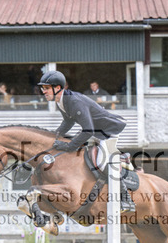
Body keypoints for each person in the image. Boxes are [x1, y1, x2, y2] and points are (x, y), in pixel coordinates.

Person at [37, 70, 134, 212]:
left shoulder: (74, 101)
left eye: (46, 88)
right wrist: (53, 136)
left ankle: (126, 199)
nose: (43, 91)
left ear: (57, 88)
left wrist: (69, 146)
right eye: (43, 88)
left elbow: (88, 130)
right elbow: (68, 121)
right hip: (94, 130)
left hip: (108, 131)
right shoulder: (61, 101)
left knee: (102, 162)